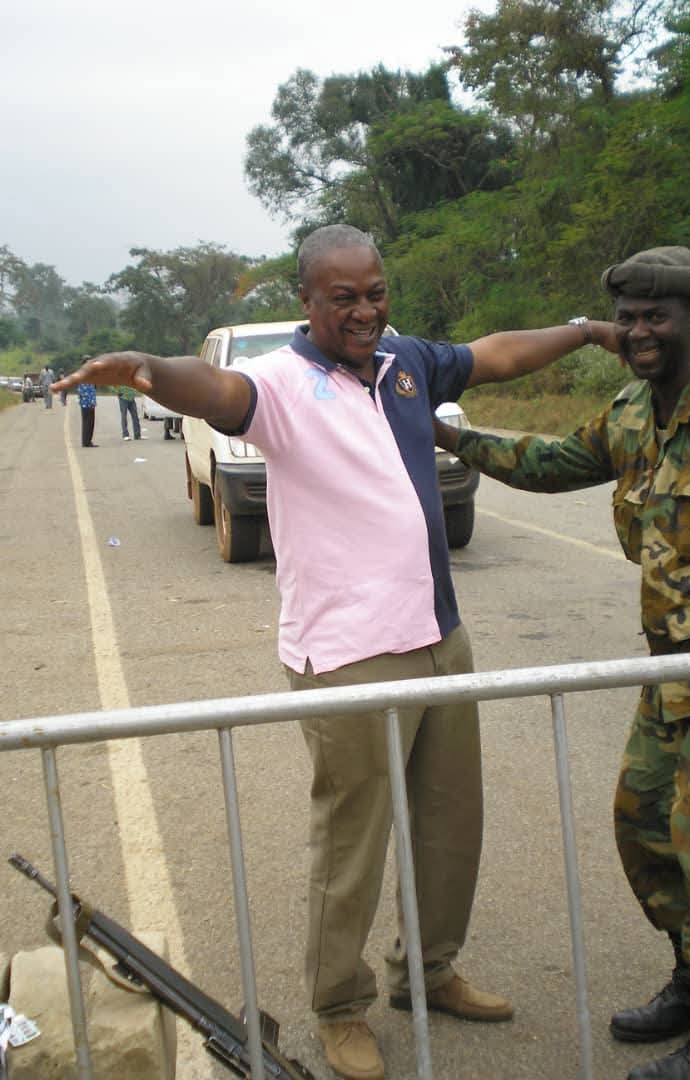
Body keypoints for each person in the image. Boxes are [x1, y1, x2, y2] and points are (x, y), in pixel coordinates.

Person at [52, 224, 618, 1080]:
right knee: (351, 842)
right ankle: (338, 1006)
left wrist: (582, 331)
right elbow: (216, 390)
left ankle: (427, 973)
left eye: (375, 293)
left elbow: (495, 354)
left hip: (438, 634)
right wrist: (148, 371)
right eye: (343, 297)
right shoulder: (280, 384)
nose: (364, 310)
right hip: (349, 654)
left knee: (449, 825)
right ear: (308, 302)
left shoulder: (403, 362)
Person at [434, 246, 690, 1080]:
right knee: (644, 829)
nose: (639, 332)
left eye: (656, 318)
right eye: (628, 318)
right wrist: (447, 436)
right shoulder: (637, 405)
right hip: (675, 676)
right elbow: (557, 464)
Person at [77, 379, 97, 447]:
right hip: (86, 404)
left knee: (91, 423)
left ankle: (88, 441)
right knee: (87, 424)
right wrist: (90, 402)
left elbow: (93, 391)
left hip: (91, 404)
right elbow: (81, 393)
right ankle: (85, 442)